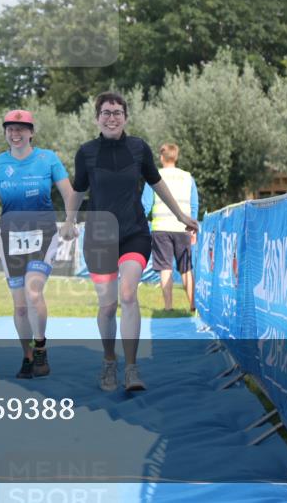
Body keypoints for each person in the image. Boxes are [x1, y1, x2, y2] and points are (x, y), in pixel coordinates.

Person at [61, 93, 197, 393]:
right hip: (99, 236)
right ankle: (110, 361)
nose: (112, 117)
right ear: (97, 118)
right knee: (108, 306)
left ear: (126, 116)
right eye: (106, 112)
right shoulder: (86, 152)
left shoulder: (139, 148)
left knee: (128, 294)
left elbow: (157, 183)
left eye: (117, 112)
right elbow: (78, 190)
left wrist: (180, 214)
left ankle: (132, 369)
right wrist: (70, 222)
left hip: (134, 232)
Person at [0, 109, 73, 379]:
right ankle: (27, 356)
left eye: (21, 129)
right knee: (20, 305)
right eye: (10, 129)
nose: (15, 134)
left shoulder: (47, 159)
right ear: (5, 132)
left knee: (33, 291)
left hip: (43, 233)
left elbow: (68, 192)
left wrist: (71, 220)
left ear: (31, 132)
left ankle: (40, 348)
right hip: (10, 237)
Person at [149, 143, 199, 313]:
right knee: (186, 268)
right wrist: (193, 227)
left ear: (162, 157)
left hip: (161, 228)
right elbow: (194, 204)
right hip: (183, 228)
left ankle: (168, 307)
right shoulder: (187, 177)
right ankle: (193, 305)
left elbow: (146, 203)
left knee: (165, 268)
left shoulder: (155, 176)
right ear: (176, 157)